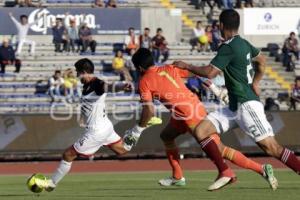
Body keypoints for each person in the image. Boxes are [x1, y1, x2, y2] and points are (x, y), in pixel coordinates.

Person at [173, 9, 300, 189]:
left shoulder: (229, 47)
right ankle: (224, 172)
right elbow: (262, 61)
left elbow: (210, 72)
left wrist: (186, 65)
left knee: (272, 148)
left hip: (246, 105)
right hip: (234, 106)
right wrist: (256, 82)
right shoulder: (244, 44)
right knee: (201, 131)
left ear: (221, 25)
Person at [123, 48, 278, 190]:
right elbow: (191, 73)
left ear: (139, 68)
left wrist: (137, 130)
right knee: (166, 136)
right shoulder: (168, 68)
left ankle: (261, 169)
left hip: (190, 115)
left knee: (221, 150)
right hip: (185, 111)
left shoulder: (145, 81)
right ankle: (177, 177)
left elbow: (149, 108)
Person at [35, 58, 158, 191]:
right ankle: (142, 126)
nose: (77, 75)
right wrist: (83, 117)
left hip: (97, 131)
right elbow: (88, 104)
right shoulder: (86, 86)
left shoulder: (97, 84)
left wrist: (121, 86)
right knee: (123, 150)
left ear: (84, 72)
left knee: (68, 155)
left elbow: (108, 87)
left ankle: (51, 184)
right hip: (105, 126)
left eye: (78, 72)